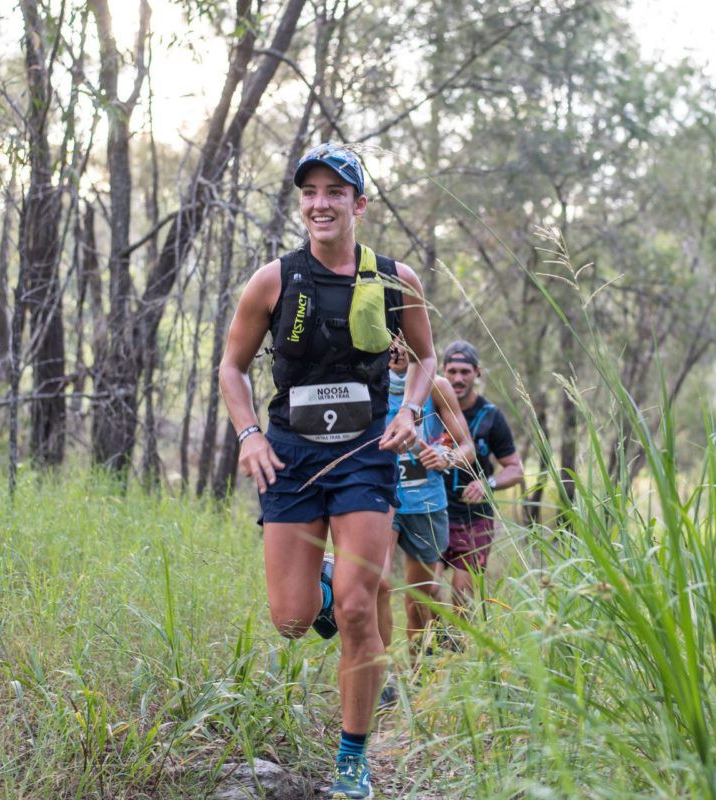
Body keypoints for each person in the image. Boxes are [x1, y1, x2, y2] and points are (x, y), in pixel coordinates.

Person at [218, 142, 435, 800]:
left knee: (359, 613)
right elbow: (232, 367)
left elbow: (423, 361)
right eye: (309, 192)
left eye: (334, 192)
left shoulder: (396, 279)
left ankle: (353, 763)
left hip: (367, 453)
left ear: (358, 204)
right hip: (290, 454)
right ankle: (331, 575)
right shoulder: (275, 281)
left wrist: (413, 414)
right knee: (290, 619)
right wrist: (249, 433)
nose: (320, 203)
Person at [376, 339, 475, 663]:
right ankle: (382, 672)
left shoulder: (438, 386)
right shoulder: (367, 378)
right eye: (390, 339)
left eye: (403, 339)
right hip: (381, 499)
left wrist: (446, 457)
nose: (397, 347)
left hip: (426, 503)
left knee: (420, 599)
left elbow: (466, 447)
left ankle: (418, 672)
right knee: (379, 582)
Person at [438, 340, 524, 614]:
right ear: (442, 371)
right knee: (424, 589)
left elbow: (515, 468)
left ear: (478, 372)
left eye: (465, 371)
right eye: (452, 371)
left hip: (474, 519)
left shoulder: (491, 416)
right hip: (433, 514)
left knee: (462, 593)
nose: (458, 378)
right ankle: (428, 644)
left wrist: (489, 484)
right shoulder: (430, 409)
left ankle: (457, 650)